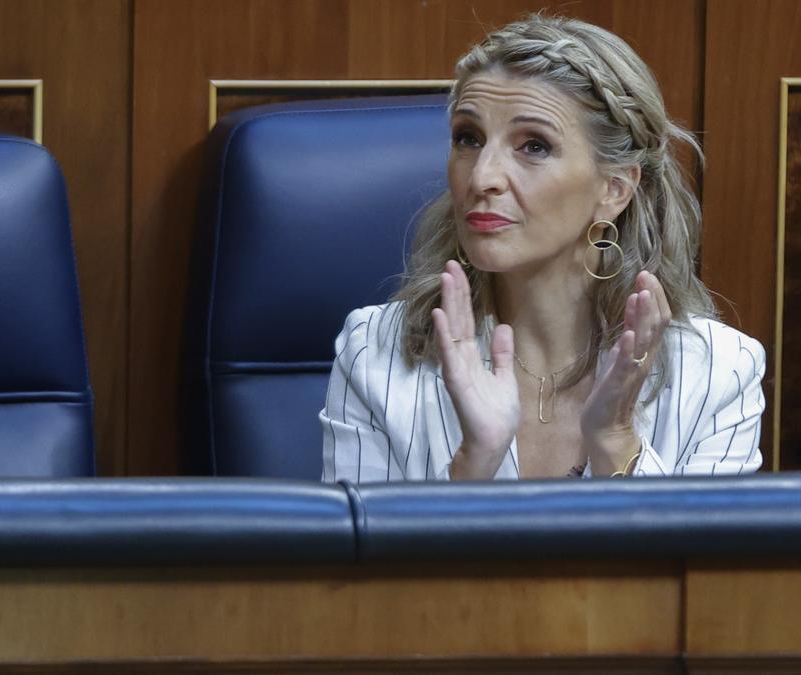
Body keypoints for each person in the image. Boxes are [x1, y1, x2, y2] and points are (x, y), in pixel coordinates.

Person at [320, 15, 766, 482]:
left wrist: (616, 441)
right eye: (468, 139)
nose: (482, 178)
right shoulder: (374, 351)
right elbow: (358, 557)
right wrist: (475, 462)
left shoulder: (719, 372)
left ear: (614, 189)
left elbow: (691, 557)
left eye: (534, 146)